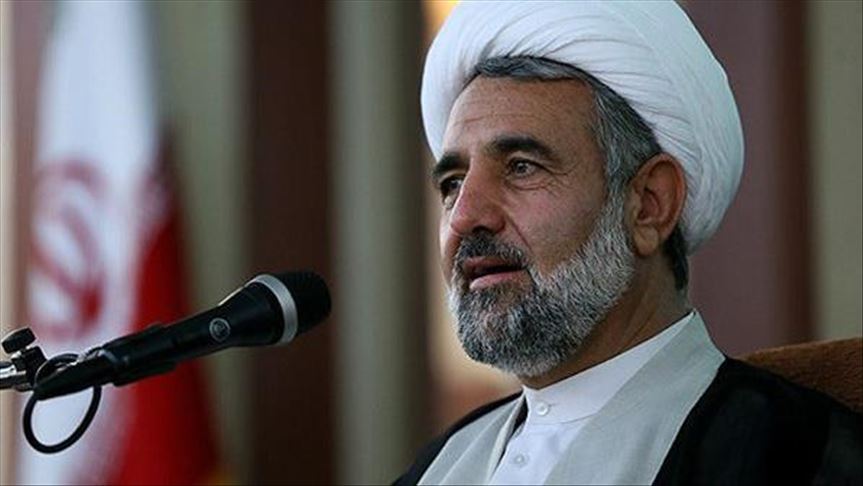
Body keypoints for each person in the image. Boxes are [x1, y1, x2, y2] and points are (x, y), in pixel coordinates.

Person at [396, 2, 862, 485]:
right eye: (452, 183)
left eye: (521, 167)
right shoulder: (440, 462)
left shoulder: (797, 456)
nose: (465, 216)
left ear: (648, 205)